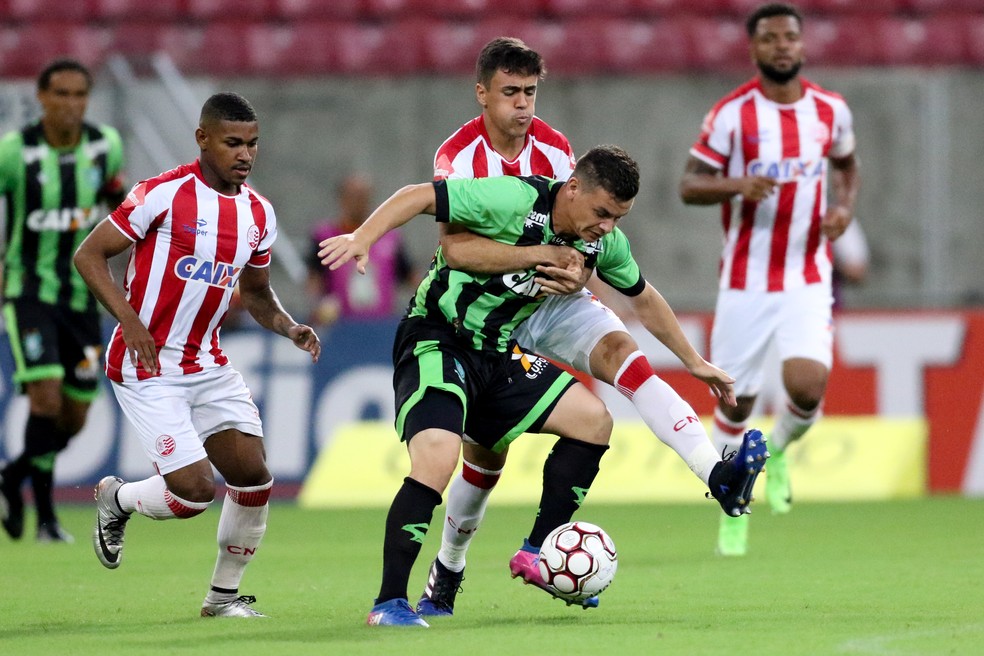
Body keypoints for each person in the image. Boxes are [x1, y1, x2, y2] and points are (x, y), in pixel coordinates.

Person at [320, 145, 765, 627]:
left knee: (593, 422)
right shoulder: (513, 199)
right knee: (438, 459)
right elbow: (418, 197)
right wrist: (366, 236)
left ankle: (537, 549)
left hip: (499, 352)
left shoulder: (599, 243)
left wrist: (693, 361)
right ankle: (388, 603)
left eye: (618, 218)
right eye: (601, 213)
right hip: (439, 338)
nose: (607, 227)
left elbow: (644, 297)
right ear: (572, 188)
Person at [414, 37, 765, 617]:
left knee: (625, 354)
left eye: (530, 91)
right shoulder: (456, 157)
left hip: (552, 299)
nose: (523, 105)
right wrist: (539, 260)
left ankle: (716, 474)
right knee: (486, 456)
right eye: (511, 93)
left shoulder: (555, 149)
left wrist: (579, 279)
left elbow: (581, 229)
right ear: (482, 95)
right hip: (484, 308)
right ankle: (448, 567)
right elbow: (454, 244)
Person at [73, 92, 320, 618]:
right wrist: (131, 321)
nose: (245, 154)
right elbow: (89, 255)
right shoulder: (161, 194)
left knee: (254, 477)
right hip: (146, 367)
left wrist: (288, 325)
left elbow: (255, 293)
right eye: (233, 143)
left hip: (206, 364)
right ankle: (117, 499)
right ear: (202, 138)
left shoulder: (258, 213)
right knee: (192, 494)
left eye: (253, 144)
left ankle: (222, 599)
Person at [678, 2, 861, 556]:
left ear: (802, 47)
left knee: (807, 388)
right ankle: (734, 508)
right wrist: (737, 184)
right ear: (754, 48)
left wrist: (844, 210)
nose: (781, 45)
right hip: (745, 281)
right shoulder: (732, 114)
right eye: (770, 38)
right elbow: (689, 185)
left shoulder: (831, 110)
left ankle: (776, 452)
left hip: (807, 274)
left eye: (790, 37)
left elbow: (847, 166)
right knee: (735, 405)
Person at [0, 59, 125, 543]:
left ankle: (12, 477)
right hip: (28, 293)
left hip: (81, 296)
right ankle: (47, 518)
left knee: (74, 415)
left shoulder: (104, 145)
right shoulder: (14, 153)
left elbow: (120, 203)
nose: (71, 104)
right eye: (62, 94)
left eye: (80, 95)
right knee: (45, 398)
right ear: (42, 97)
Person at [305, 172, 413, 326]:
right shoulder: (325, 236)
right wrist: (317, 305)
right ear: (342, 198)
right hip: (340, 325)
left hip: (381, 325)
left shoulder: (389, 237)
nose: (358, 203)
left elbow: (409, 275)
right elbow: (314, 278)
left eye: (363, 197)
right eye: (353, 197)